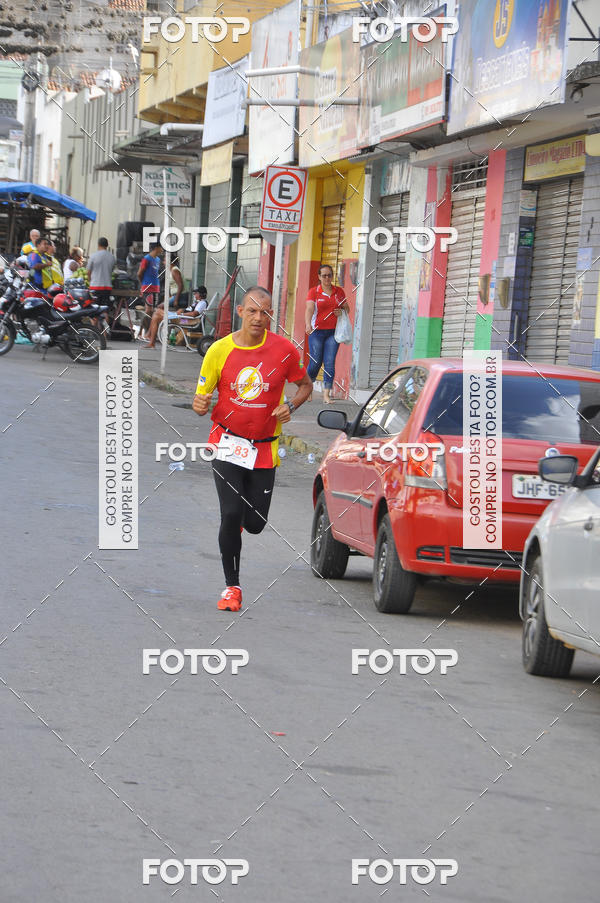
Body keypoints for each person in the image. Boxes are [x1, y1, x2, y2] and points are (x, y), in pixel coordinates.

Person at [193, 286, 313, 612]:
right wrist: (200, 403)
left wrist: (291, 405)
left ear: (270, 314)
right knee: (231, 514)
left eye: (265, 312)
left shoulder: (284, 351)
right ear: (241, 312)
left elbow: (305, 386)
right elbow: (200, 400)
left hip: (263, 448)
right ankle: (232, 587)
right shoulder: (218, 351)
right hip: (227, 442)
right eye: (252, 311)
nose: (259, 318)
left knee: (256, 523)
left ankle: (243, 522)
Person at [304, 264, 350, 404]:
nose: (327, 278)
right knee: (315, 363)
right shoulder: (314, 291)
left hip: (333, 333)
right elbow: (310, 308)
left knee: (329, 363)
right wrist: (307, 324)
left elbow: (346, 308)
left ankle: (326, 395)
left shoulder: (338, 292)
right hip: (316, 332)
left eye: (329, 275)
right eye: (324, 275)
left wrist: (341, 311)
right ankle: (307, 388)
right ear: (319, 277)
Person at [144, 256, 187, 348]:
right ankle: (150, 334)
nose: (163, 262)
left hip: (180, 297)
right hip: (174, 296)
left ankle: (149, 334)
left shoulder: (175, 271)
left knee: (158, 308)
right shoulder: (171, 271)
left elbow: (180, 285)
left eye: (164, 260)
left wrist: (175, 300)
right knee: (158, 309)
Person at [87, 237, 116, 305]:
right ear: (107, 245)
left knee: (95, 309)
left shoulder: (93, 256)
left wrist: (89, 281)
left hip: (95, 286)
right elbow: (111, 270)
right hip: (107, 287)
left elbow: (88, 271)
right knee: (104, 308)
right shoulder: (112, 257)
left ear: (98, 245)